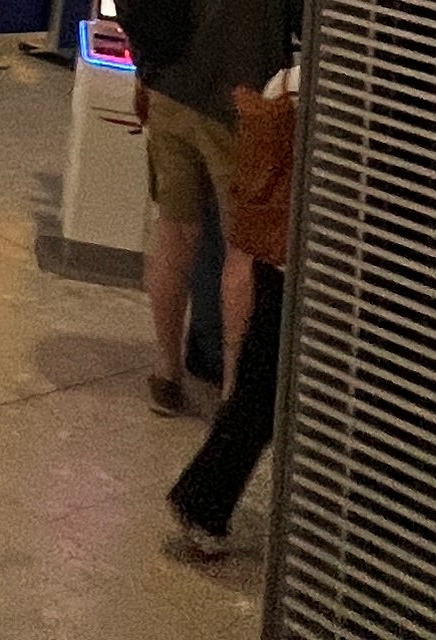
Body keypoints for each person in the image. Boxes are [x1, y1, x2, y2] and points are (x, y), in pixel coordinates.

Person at [122, 0, 305, 419]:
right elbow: (304, 24)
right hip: (243, 113)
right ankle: (231, 391)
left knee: (173, 234)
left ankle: (165, 370)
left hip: (172, 94)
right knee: (241, 254)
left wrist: (143, 73)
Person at [165, 61, 299, 565]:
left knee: (256, 392)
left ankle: (201, 500)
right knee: (261, 399)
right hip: (309, 266)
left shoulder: (283, 85)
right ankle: (201, 502)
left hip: (274, 255)